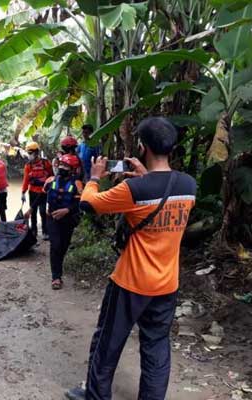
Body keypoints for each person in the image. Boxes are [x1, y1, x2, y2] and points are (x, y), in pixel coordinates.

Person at [65, 117, 196, 400]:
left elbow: (89, 204)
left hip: (131, 283)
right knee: (157, 346)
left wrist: (95, 176)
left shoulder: (133, 190)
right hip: (167, 284)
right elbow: (162, 194)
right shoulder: (189, 185)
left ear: (142, 147)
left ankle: (97, 396)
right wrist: (145, 178)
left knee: (108, 342)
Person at [25, 154, 82, 290]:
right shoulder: (50, 181)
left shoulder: (77, 184)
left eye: (66, 166)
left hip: (68, 220)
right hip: (52, 218)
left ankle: (59, 266)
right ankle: (56, 277)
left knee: (63, 246)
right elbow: (41, 197)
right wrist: (31, 209)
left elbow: (79, 204)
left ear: (72, 169)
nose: (62, 168)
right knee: (55, 245)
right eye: (61, 165)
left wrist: (67, 210)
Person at [21, 142, 54, 240]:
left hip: (43, 191)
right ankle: (34, 231)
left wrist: (50, 188)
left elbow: (51, 176)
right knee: (33, 212)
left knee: (43, 211)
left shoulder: (46, 163)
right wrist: (23, 192)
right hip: (32, 191)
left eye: (30, 153)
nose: (29, 155)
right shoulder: (28, 166)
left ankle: (45, 231)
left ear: (36, 152)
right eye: (28, 153)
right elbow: (26, 179)